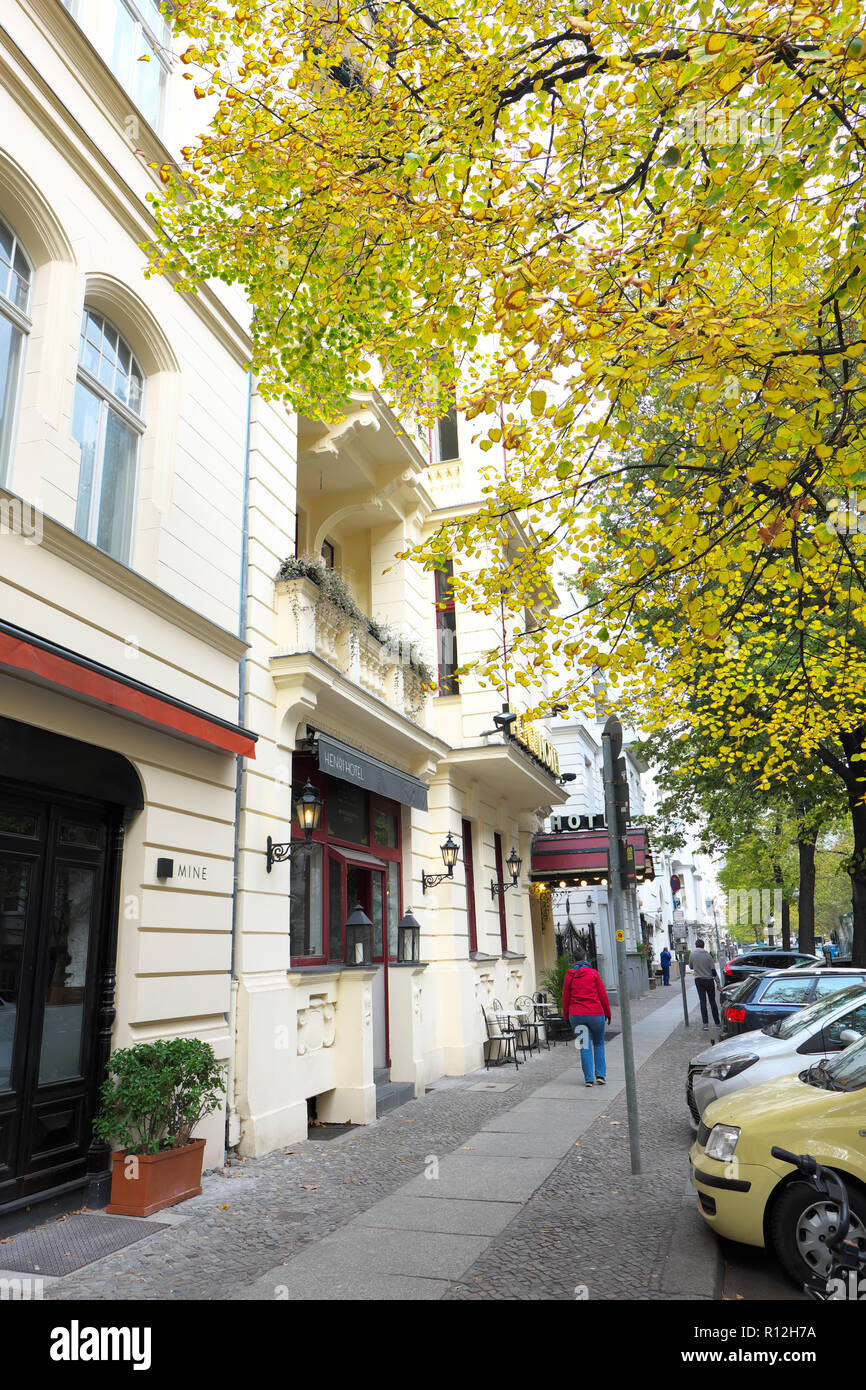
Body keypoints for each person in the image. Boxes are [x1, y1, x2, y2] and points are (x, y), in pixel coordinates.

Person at [562, 947, 612, 1086]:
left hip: (577, 1015)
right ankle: (600, 1075)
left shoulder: (569, 975)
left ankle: (589, 1078)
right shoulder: (593, 973)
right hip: (595, 1014)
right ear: (585, 958)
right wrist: (608, 1013)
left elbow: (565, 997)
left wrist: (566, 1015)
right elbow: (602, 995)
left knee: (584, 1046)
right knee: (598, 1043)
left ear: (574, 960)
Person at [690, 937, 721, 1031]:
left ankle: (705, 1024)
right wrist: (718, 983)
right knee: (712, 1001)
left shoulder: (692, 955)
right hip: (709, 981)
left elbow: (691, 966)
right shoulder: (708, 956)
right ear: (703, 946)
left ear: (696, 946)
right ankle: (717, 1023)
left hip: (699, 980)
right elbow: (713, 971)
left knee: (702, 1001)